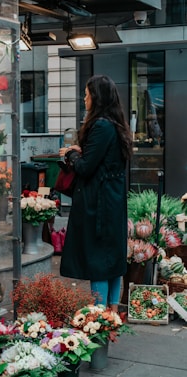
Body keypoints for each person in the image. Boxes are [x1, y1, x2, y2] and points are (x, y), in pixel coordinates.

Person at [59, 74, 133, 312]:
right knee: (112, 260)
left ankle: (99, 316)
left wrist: (71, 153)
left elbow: (85, 168)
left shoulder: (100, 126)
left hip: (98, 204)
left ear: (97, 98)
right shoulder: (116, 125)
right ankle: (112, 314)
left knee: (98, 261)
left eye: (87, 94)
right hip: (111, 202)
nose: (84, 99)